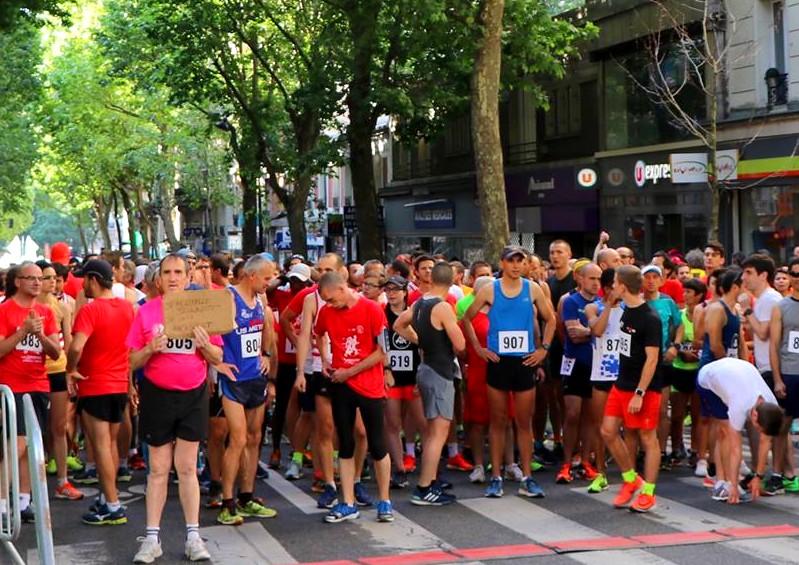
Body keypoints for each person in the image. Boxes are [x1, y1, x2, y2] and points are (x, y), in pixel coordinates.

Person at [128, 253, 225, 562]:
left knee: (186, 468)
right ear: (159, 279)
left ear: (188, 277)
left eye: (178, 272)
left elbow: (217, 358)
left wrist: (205, 344)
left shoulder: (201, 309)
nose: (172, 277)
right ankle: (152, 539)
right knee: (158, 469)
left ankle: (193, 537)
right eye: (167, 272)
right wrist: (149, 349)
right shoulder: (146, 312)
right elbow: (130, 360)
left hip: (193, 394)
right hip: (157, 394)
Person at [464, 245, 555, 499]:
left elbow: (551, 318)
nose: (516, 265)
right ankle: (496, 477)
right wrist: (479, 349)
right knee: (498, 421)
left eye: (520, 261)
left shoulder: (532, 288)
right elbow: (467, 318)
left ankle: (527, 477)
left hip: (524, 361)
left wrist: (543, 350)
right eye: (511, 261)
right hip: (499, 361)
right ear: (502, 263)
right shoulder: (489, 289)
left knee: (524, 423)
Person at [314, 272, 394, 523]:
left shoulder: (372, 309)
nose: (329, 305)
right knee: (345, 443)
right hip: (340, 384)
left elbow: (382, 351)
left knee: (377, 444)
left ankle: (384, 500)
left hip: (368, 385)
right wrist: (326, 360)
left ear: (342, 288)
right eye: (325, 301)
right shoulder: (327, 313)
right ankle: (347, 501)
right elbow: (319, 334)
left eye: (331, 299)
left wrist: (351, 371)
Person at [66, 259, 135, 525]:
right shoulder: (128, 308)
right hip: (118, 385)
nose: (82, 284)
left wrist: (71, 368)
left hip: (95, 385)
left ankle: (113, 505)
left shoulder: (91, 310)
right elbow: (131, 349)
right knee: (111, 446)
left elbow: (75, 346)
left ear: (94, 280)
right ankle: (108, 499)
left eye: (84, 279)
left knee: (102, 446)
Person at [395, 263, 466, 505]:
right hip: (440, 369)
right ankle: (424, 487)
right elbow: (460, 344)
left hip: (425, 368)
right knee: (438, 432)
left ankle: (431, 480)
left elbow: (398, 325)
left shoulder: (420, 302)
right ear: (455, 280)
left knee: (432, 431)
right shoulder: (443, 306)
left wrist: (417, 340)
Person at [216, 255, 277, 526]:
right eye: (266, 278)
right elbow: (207, 333)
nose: (269, 282)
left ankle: (247, 496)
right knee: (237, 439)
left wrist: (265, 354)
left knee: (254, 438)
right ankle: (227, 502)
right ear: (251, 275)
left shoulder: (261, 301)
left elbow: (267, 332)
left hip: (255, 377)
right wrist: (216, 364)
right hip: (233, 380)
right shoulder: (228, 298)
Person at [0, 262, 61, 522]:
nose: (38, 283)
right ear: (17, 282)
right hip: (11, 387)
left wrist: (40, 336)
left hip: (38, 386)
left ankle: (24, 501)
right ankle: (3, 503)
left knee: (31, 446)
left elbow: (56, 353)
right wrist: (23, 332)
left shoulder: (46, 312)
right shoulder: (4, 311)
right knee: (17, 445)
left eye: (41, 278)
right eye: (31, 278)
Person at [599, 265, 662, 513]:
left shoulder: (650, 318)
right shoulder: (625, 311)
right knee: (608, 431)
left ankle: (648, 492)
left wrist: (639, 392)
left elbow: (652, 359)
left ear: (623, 286)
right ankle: (630, 479)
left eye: (614, 282)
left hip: (643, 388)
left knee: (648, 439)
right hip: (621, 382)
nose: (612, 286)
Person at [696, 357, 783, 504]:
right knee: (724, 432)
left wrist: (758, 477)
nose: (759, 431)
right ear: (755, 415)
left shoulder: (771, 403)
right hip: (707, 380)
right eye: (758, 428)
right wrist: (734, 486)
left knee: (727, 431)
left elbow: (765, 441)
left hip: (733, 373)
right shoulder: (740, 405)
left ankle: (730, 480)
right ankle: (722, 482)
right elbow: (736, 449)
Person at [556, 262, 602, 485]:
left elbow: (603, 334)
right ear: (580, 279)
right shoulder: (570, 301)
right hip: (575, 363)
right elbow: (573, 334)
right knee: (572, 413)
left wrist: (588, 332)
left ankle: (585, 461)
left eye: (599, 279)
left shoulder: (603, 304)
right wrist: (594, 332)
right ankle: (566, 462)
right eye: (592, 278)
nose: (596, 283)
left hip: (596, 364)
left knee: (591, 416)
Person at [381, 275, 425, 488]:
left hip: (414, 375)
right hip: (392, 377)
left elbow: (424, 345)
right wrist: (385, 369)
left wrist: (422, 374)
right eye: (388, 289)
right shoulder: (381, 314)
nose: (391, 293)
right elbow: (379, 346)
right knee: (392, 423)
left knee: (424, 423)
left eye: (395, 289)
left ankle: (430, 470)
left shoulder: (415, 314)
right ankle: (399, 468)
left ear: (405, 291)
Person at [584, 267, 622, 493]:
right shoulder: (593, 307)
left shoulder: (631, 308)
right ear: (607, 289)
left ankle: (630, 473)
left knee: (629, 427)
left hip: (624, 376)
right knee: (600, 426)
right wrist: (610, 303)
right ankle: (601, 472)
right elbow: (597, 330)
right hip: (601, 375)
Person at [766, 257, 799, 495]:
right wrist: (777, 378)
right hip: (789, 372)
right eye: (794, 274)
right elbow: (774, 344)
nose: (798, 278)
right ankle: (777, 475)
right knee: (782, 427)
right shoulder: (781, 306)